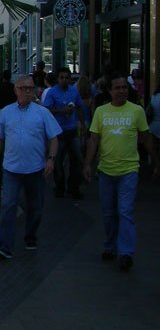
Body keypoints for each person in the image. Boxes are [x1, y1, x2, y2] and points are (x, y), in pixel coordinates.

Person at [84, 74, 157, 271]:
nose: (122, 91)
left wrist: (156, 161)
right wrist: (87, 164)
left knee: (125, 211)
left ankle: (126, 252)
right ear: (110, 91)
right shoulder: (101, 112)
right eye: (117, 88)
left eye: (124, 87)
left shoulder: (136, 111)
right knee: (108, 213)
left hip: (129, 170)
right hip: (106, 171)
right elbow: (93, 139)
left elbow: (146, 137)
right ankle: (110, 245)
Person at [0, 76, 61, 259]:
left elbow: (53, 137)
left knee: (35, 207)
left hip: (35, 169)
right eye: (23, 88)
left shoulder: (42, 113)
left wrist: (51, 159)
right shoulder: (6, 112)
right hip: (11, 169)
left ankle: (30, 236)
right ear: (16, 90)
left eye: (30, 88)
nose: (27, 91)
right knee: (8, 206)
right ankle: (5, 246)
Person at [43, 66, 87, 199]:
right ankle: (60, 186)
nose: (64, 80)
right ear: (58, 79)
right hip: (58, 132)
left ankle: (73, 187)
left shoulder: (74, 91)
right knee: (58, 161)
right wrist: (62, 111)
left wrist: (82, 123)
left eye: (67, 77)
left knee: (77, 159)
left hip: (72, 130)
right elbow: (47, 109)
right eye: (61, 77)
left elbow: (79, 106)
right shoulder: (52, 92)